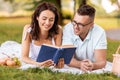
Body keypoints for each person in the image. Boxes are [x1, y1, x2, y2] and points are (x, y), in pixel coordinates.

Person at [62, 5, 107, 72]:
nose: (75, 27)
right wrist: (80, 64)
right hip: (75, 65)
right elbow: (67, 58)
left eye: (80, 24)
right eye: (74, 22)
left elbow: (101, 62)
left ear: (91, 25)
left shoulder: (100, 32)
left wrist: (93, 66)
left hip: (92, 63)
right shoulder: (68, 28)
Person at [21, 2, 63, 68]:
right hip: (34, 61)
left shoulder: (58, 29)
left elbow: (57, 55)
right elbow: (24, 57)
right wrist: (38, 64)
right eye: (44, 19)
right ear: (37, 17)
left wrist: (59, 61)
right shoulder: (28, 29)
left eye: (51, 20)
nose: (47, 23)